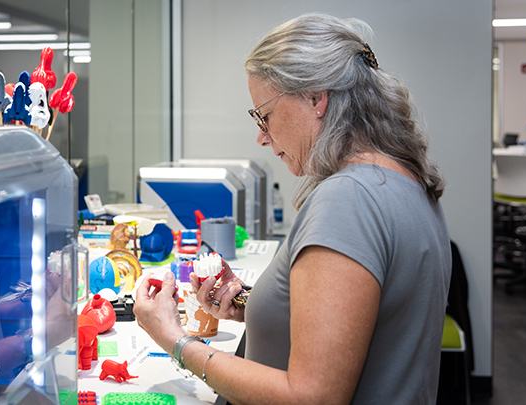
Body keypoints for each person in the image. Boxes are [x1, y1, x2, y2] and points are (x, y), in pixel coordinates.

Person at [133, 12, 451, 404]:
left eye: (263, 115)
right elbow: (362, 330)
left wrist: (175, 340)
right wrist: (251, 304)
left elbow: (310, 397)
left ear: (316, 97)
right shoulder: (406, 181)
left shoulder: (349, 199)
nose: (262, 136)